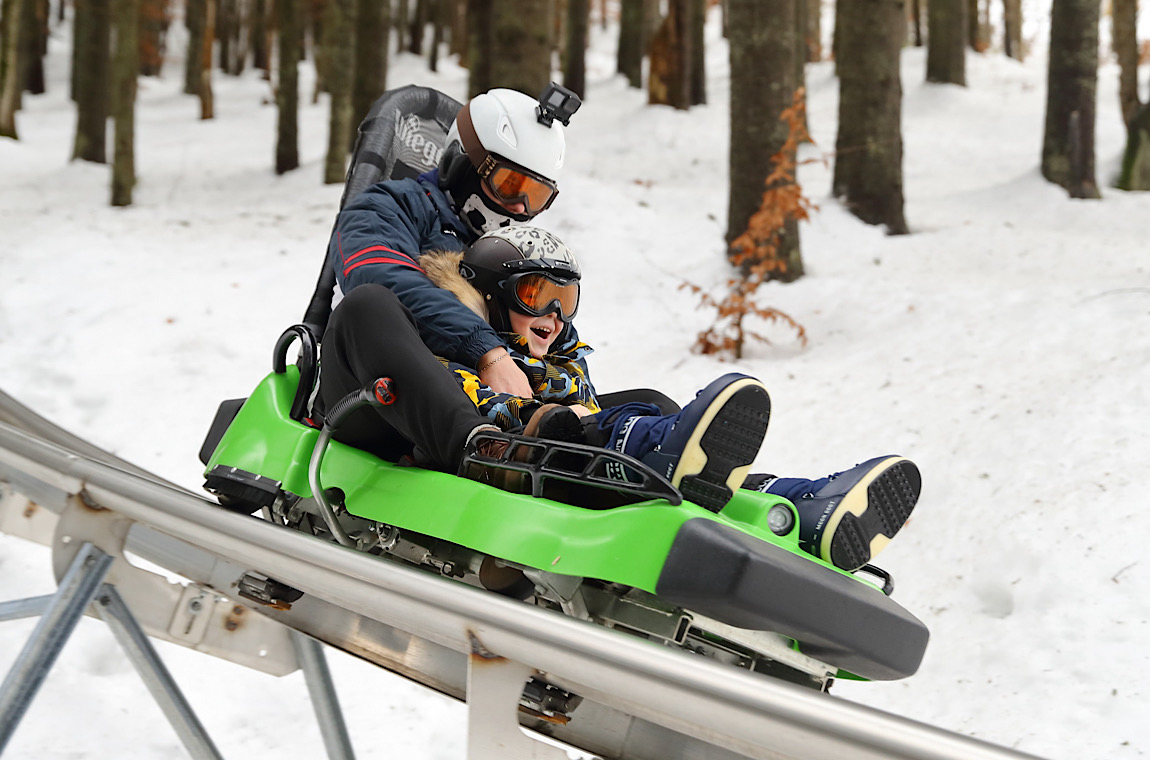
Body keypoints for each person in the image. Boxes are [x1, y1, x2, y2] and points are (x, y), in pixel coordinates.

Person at [421, 225, 922, 572]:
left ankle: (802, 504)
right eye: (535, 295)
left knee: (654, 405)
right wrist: (543, 412)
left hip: (581, 457)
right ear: (490, 295)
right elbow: (473, 412)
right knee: (609, 421)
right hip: (527, 460)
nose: (554, 315)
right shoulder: (462, 358)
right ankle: (666, 450)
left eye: (566, 299)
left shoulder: (563, 363)